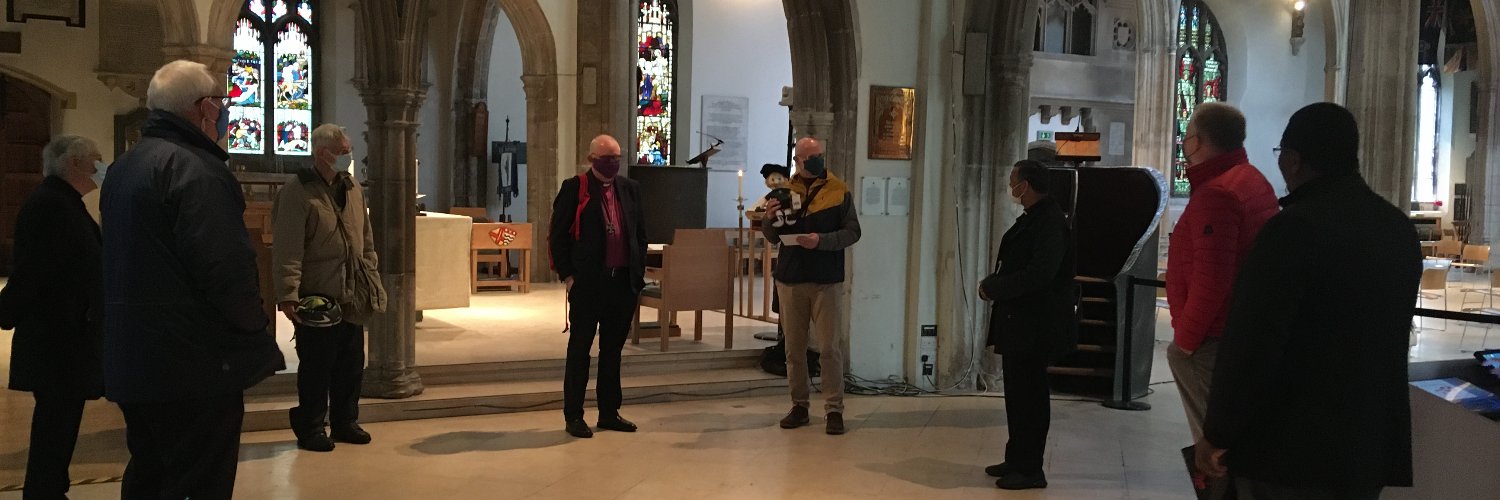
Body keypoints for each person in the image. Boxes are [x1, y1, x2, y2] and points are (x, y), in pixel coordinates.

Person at [1196, 103, 1421, 499]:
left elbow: (1253, 345)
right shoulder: (1398, 229)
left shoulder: (1291, 231)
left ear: (1294, 160)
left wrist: (1217, 433)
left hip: (1289, 452)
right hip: (1365, 447)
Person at [101, 60, 285, 500]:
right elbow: (224, 268)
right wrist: (253, 326)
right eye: (220, 103)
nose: (223, 114)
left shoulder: (125, 167)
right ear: (204, 108)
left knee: (149, 470)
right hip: (193, 364)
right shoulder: (196, 169)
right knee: (199, 480)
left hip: (136, 354)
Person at [1165, 102, 1278, 453]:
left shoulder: (1217, 193)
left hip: (1211, 341)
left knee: (1214, 447)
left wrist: (1184, 343)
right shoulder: (1252, 178)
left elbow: (1213, 281)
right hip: (1236, 332)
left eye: (1186, 139)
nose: (1185, 146)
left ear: (1197, 142)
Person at [0, 135, 105, 499]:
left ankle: (49, 490)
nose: (99, 167)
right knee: (54, 427)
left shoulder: (63, 202)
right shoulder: (52, 206)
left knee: (59, 425)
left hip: (64, 337)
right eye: (95, 160)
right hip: (57, 339)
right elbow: (35, 270)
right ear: (74, 164)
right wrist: (6, 311)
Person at [273, 123, 384, 452]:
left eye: (348, 150)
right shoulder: (297, 191)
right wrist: (288, 295)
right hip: (317, 293)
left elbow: (365, 238)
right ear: (323, 153)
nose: (348, 156)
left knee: (351, 362)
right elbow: (288, 248)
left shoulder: (352, 187)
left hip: (353, 290)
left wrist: (371, 270)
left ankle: (345, 421)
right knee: (316, 366)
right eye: (343, 151)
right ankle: (310, 426)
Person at [978, 160, 1078, 490]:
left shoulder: (1050, 222)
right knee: (1018, 396)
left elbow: (1040, 274)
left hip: (1036, 324)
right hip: (1020, 321)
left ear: (1028, 184)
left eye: (1013, 181)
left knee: (1031, 398)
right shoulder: (1034, 218)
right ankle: (1016, 457)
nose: (1010, 186)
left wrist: (995, 287)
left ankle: (1031, 468)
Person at [548, 134, 648, 439]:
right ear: (592, 159)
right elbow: (557, 236)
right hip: (589, 283)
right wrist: (568, 275)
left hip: (622, 284)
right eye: (607, 157)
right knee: (580, 350)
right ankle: (574, 416)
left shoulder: (630, 189)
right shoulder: (575, 188)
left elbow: (639, 234)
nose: (613, 163)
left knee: (612, 351)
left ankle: (608, 412)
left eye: (617, 157)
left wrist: (637, 274)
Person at [761, 137, 862, 436]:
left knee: (829, 348)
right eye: (809, 157)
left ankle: (834, 409)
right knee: (794, 349)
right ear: (798, 161)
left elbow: (853, 231)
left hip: (826, 280)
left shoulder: (838, 190)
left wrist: (822, 241)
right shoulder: (783, 191)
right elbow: (771, 236)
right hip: (791, 279)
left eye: (819, 155)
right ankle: (799, 405)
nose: (816, 160)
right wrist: (768, 219)